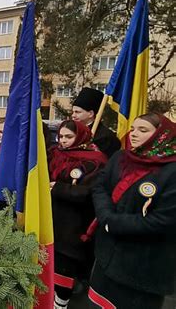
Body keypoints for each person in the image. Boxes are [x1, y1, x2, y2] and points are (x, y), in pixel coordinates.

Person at [88, 113, 176, 309]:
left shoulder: (171, 171)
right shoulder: (121, 157)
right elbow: (100, 186)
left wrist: (114, 223)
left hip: (142, 267)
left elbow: (164, 220)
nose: (133, 134)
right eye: (133, 128)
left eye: (142, 130)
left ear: (162, 135)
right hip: (107, 256)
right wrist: (106, 216)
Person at [48, 120, 107, 309]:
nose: (63, 141)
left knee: (65, 269)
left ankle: (61, 303)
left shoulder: (95, 161)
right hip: (52, 219)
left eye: (68, 137)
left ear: (81, 136)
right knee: (50, 265)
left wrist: (58, 188)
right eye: (61, 136)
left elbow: (90, 193)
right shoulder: (54, 153)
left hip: (73, 225)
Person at [72, 87, 121, 158]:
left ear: (91, 114)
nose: (73, 115)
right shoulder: (72, 131)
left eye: (77, 112)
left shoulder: (105, 137)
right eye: (73, 112)